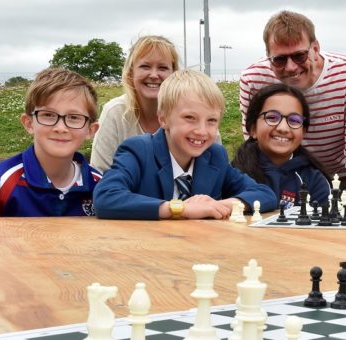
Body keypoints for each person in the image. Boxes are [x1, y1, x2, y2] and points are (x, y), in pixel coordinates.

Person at [94, 70, 276, 220]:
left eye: (211, 120)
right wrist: (179, 208)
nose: (202, 131)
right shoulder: (138, 151)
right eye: (190, 118)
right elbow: (105, 197)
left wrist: (224, 205)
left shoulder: (214, 156)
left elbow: (264, 194)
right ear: (163, 119)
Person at [239, 10, 346, 195]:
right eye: (279, 60)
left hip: (337, 179)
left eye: (299, 56)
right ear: (268, 57)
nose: (291, 67)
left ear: (316, 49)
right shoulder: (253, 80)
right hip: (275, 179)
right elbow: (253, 146)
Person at [0, 68, 101, 217]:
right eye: (48, 115)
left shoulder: (99, 185)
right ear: (29, 123)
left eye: (74, 117)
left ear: (91, 130)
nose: (60, 128)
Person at [231, 83, 330, 209]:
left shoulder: (314, 180)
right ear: (253, 129)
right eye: (272, 117)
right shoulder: (235, 175)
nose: (283, 128)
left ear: (303, 132)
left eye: (294, 120)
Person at [90, 35, 179, 173]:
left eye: (162, 68)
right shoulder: (114, 112)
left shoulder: (192, 112)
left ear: (174, 73)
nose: (154, 75)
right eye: (145, 66)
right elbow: (100, 175)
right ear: (131, 72)